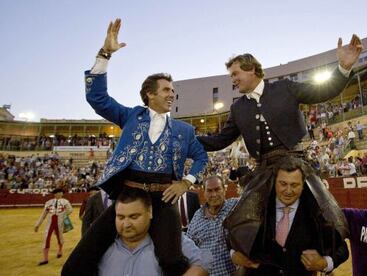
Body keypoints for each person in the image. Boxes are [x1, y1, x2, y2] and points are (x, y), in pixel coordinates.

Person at [62, 18, 208, 276]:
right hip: (128, 198)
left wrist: (186, 182)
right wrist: (105, 54)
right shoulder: (131, 116)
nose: (172, 94)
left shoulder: (184, 130)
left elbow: (200, 158)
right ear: (149, 94)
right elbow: (97, 97)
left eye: (172, 90)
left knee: (172, 260)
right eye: (166, 90)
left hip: (164, 200)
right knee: (78, 262)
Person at [198, 35, 363, 256]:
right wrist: (188, 139)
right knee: (242, 221)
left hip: (296, 162)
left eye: (235, 74)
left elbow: (321, 92)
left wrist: (343, 67)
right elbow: (220, 140)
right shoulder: (238, 109)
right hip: (264, 170)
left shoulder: (285, 88)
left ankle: (325, 262)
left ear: (251, 70)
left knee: (326, 216)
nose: (233, 80)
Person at [231, 156, 349, 275]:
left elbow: (342, 249)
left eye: (294, 185)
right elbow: (230, 239)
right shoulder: (257, 207)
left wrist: (324, 263)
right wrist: (233, 254)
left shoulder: (314, 212)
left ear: (303, 185)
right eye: (283, 184)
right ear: (274, 182)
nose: (288, 191)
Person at [98, 187, 209, 276]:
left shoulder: (169, 238)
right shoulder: (100, 245)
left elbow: (203, 264)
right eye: (121, 217)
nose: (126, 224)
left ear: (150, 212)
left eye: (134, 217)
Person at [186, 175, 238, 275]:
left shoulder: (235, 206)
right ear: (204, 192)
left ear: (224, 189)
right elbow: (189, 247)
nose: (213, 194)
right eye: (209, 191)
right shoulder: (197, 216)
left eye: (217, 189)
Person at [34, 188, 73, 265]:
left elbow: (70, 210)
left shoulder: (65, 202)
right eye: (58, 193)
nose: (60, 194)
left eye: (61, 193)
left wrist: (64, 214)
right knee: (46, 238)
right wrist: (37, 225)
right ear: (54, 194)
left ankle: (60, 251)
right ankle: (45, 259)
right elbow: (43, 215)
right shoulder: (48, 202)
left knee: (60, 237)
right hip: (50, 223)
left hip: (60, 222)